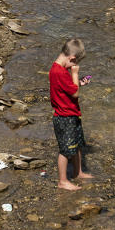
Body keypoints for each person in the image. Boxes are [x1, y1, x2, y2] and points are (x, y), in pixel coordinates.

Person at [50, 38, 93, 191]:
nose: (74, 67)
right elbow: (74, 93)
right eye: (74, 63)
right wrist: (75, 73)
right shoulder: (58, 71)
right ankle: (62, 181)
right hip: (64, 117)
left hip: (72, 114)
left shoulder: (61, 69)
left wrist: (78, 82)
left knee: (77, 145)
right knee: (65, 150)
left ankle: (77, 172)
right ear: (72, 58)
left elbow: (69, 88)